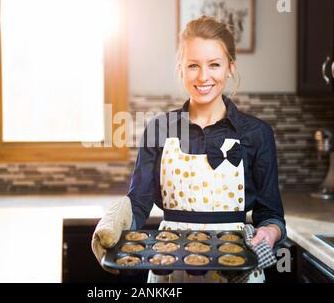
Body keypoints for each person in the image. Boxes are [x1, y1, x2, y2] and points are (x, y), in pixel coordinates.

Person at [92, 15, 286, 283]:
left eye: (214, 65)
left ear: (230, 67)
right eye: (193, 65)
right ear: (180, 67)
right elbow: (138, 203)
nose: (203, 76)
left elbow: (271, 214)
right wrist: (115, 221)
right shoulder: (159, 129)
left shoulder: (257, 134)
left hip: (237, 267)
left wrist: (270, 233)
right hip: (169, 265)